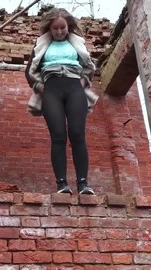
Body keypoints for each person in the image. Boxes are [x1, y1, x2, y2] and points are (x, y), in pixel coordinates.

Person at [25, 7, 98, 195]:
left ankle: (83, 184)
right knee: (58, 136)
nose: (59, 32)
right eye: (55, 29)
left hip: (74, 88)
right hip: (51, 89)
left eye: (62, 28)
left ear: (68, 26)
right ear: (49, 29)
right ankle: (62, 184)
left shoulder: (77, 43)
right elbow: (29, 72)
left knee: (77, 135)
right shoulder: (41, 45)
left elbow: (89, 67)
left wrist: (82, 83)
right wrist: (42, 88)